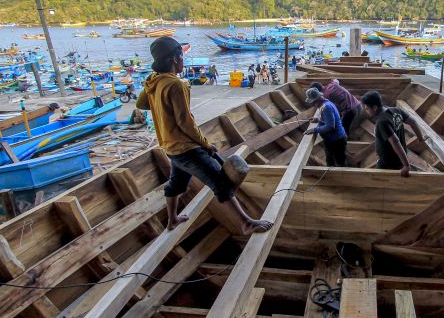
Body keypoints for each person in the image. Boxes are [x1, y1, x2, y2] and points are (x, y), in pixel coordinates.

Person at [136, 37, 273, 233]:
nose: (183, 59)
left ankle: (172, 219)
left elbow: (141, 104)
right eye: (182, 56)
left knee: (176, 184)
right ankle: (246, 223)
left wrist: (154, 87)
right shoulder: (175, 85)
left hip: (170, 147)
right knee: (221, 182)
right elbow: (186, 123)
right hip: (187, 147)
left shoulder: (154, 81)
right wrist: (206, 144)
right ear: (174, 59)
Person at [361, 90, 426, 177]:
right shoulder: (396, 110)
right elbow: (412, 122)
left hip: (389, 162)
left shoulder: (381, 122)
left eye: (367, 108)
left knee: (380, 181)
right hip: (399, 158)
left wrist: (406, 165)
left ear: (375, 108)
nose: (366, 111)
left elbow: (395, 141)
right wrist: (420, 138)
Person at [304, 87, 347, 166]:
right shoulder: (326, 103)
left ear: (317, 100)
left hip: (336, 140)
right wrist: (317, 119)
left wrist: (315, 129)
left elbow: (330, 126)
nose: (313, 105)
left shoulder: (326, 107)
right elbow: (327, 119)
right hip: (333, 140)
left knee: (340, 163)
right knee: (330, 161)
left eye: (313, 103)